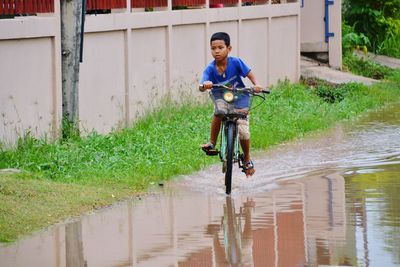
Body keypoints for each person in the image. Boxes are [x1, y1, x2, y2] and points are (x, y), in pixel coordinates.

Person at [199, 32, 262, 177]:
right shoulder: (210, 69)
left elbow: (249, 73)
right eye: (213, 48)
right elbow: (201, 84)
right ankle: (212, 143)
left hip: (241, 96)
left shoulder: (236, 62)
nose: (217, 51)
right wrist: (205, 85)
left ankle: (246, 159)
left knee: (244, 132)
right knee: (219, 112)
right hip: (221, 97)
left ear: (229, 48)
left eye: (220, 47)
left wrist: (256, 84)